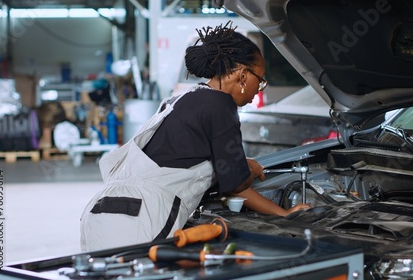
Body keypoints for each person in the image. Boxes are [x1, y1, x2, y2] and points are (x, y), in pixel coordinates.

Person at [80, 21, 311, 252]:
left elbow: (184, 157)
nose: (258, 89)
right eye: (259, 81)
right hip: (141, 220)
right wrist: (284, 213)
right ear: (242, 74)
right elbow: (236, 187)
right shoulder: (221, 105)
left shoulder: (186, 98)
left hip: (102, 214)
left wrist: (244, 164)